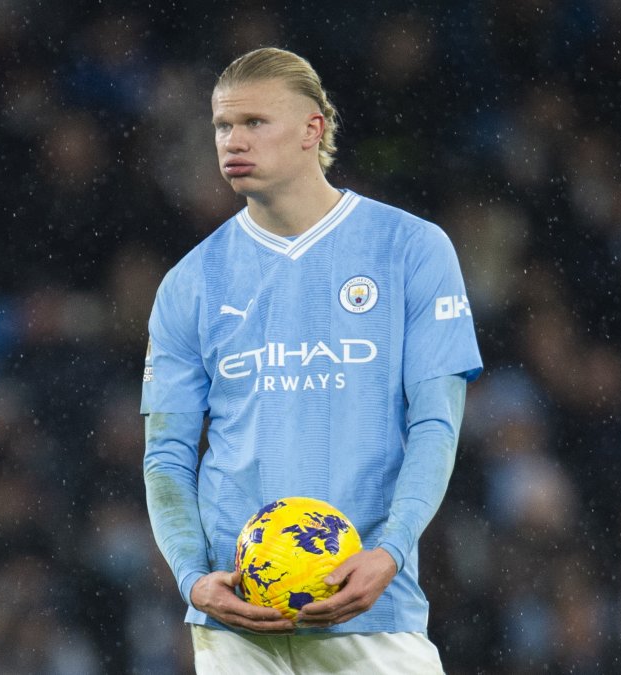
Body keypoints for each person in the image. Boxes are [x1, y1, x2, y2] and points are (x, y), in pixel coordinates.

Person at [141, 47, 482, 673]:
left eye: (254, 122)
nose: (232, 141)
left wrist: (392, 551)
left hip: (373, 611)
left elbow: (436, 424)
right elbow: (166, 455)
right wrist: (192, 578)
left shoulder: (411, 249)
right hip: (235, 621)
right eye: (222, 126)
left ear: (312, 128)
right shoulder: (189, 282)